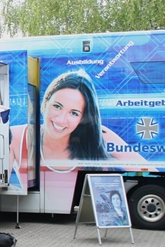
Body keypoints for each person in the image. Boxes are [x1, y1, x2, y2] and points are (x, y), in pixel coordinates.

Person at [9, 69, 147, 175]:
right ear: (46, 103)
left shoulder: (100, 136)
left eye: (74, 113)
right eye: (57, 106)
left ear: (82, 118)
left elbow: (147, 171)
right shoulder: (17, 136)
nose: (61, 119)